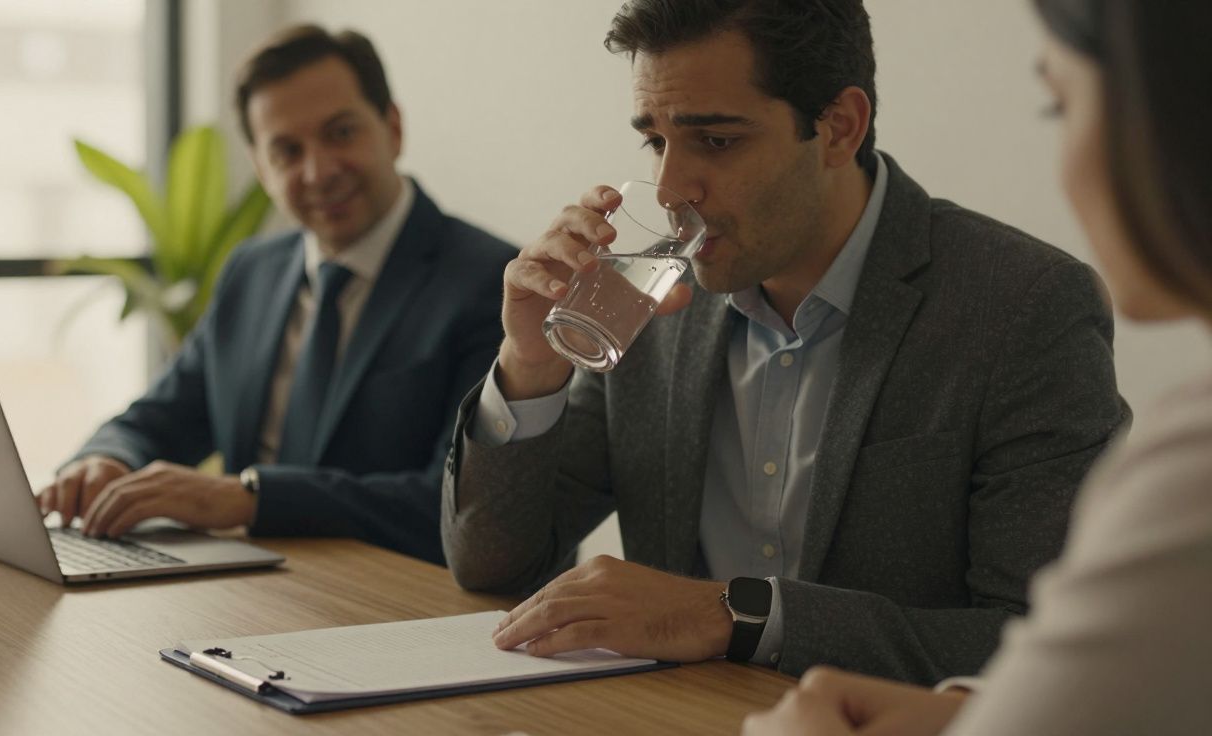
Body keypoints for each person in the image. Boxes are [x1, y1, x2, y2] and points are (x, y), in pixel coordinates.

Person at [442, 0, 1131, 684]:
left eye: (715, 140)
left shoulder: (1023, 307)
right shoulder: (650, 301)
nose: (673, 189)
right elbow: (495, 564)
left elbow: (1050, 648)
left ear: (839, 128)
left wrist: (736, 615)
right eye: (656, 140)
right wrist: (529, 364)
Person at [742, 1, 1212, 733]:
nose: (673, 188)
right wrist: (966, 710)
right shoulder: (657, 299)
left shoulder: (1193, 461)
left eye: (1059, 106)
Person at [35, 25, 514, 565]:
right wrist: (105, 459)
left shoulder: (492, 283)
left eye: (340, 133)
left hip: (396, 604)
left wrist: (248, 498)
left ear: (393, 128)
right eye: (287, 151)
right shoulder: (251, 272)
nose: (319, 171)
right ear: (262, 168)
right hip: (249, 596)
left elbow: (461, 508)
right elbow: (162, 417)